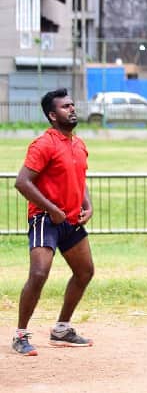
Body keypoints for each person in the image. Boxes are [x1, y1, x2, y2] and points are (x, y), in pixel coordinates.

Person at [11, 89, 95, 356]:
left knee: (85, 272)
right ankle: (20, 335)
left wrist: (88, 206)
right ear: (52, 115)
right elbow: (22, 182)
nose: (72, 109)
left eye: (72, 105)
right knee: (38, 274)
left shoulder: (78, 144)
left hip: (70, 220)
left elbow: (78, 178)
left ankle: (61, 330)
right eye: (65, 107)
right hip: (45, 219)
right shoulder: (44, 144)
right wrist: (52, 209)